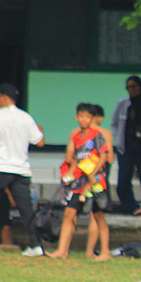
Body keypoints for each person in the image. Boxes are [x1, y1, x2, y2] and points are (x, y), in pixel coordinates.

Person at [0, 83, 45, 256]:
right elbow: (39, 141)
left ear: (3, 97)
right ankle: (36, 245)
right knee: (26, 209)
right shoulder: (25, 117)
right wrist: (41, 131)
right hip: (21, 171)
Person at [48, 103, 110, 260]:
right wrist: (70, 173)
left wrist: (93, 174)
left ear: (93, 119)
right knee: (69, 213)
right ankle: (62, 251)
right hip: (79, 180)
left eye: (87, 117)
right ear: (77, 117)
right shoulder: (75, 136)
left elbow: (104, 156)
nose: (84, 120)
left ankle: (105, 252)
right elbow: (73, 157)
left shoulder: (97, 135)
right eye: (81, 116)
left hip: (94, 181)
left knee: (98, 216)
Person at [111, 75, 141, 214]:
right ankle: (129, 207)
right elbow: (114, 123)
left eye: (134, 87)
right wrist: (118, 140)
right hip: (126, 147)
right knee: (124, 180)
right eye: (128, 87)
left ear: (140, 87)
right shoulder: (122, 104)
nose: (131, 90)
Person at [84, 104, 114, 258]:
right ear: (100, 118)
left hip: (83, 175)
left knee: (91, 214)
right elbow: (110, 158)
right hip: (99, 177)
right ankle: (100, 250)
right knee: (97, 215)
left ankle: (90, 251)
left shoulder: (81, 133)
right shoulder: (105, 133)